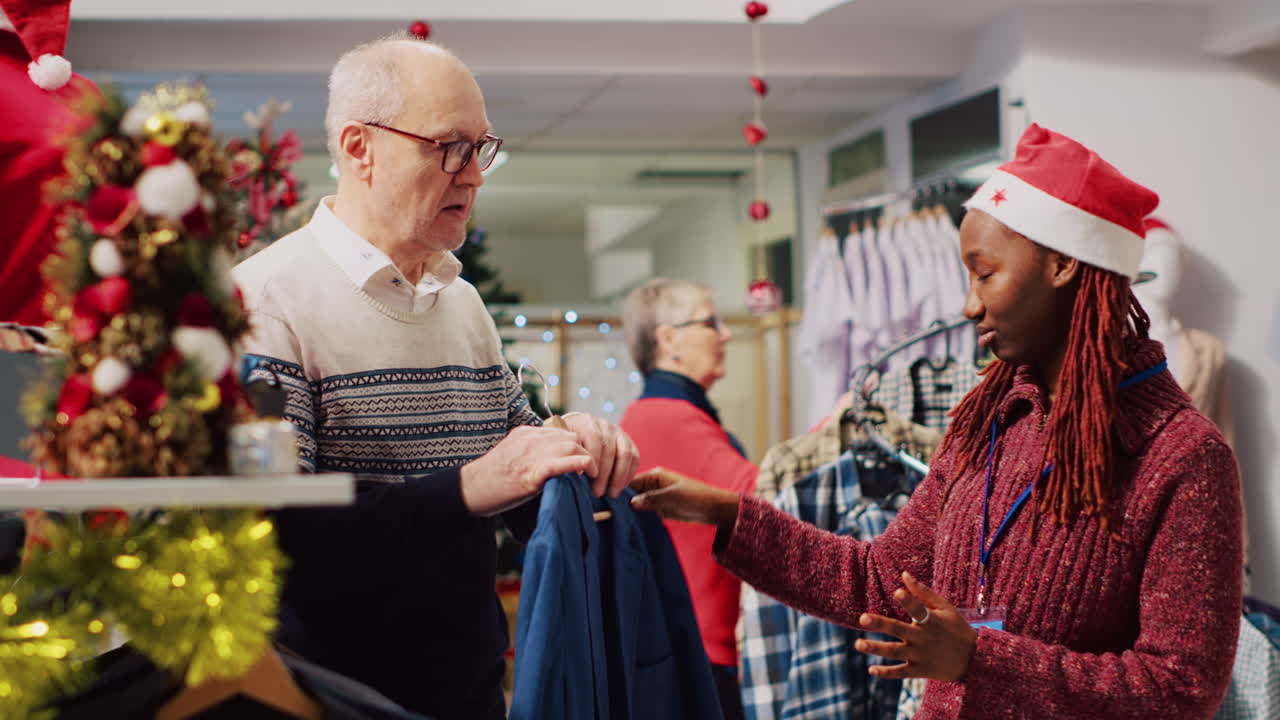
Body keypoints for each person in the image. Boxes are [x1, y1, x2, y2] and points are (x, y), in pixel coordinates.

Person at [629, 124, 1243, 719]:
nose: (969, 305)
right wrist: (727, 514)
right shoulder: (990, 422)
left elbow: (1182, 689)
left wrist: (981, 659)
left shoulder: (1183, 456)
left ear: (1062, 265)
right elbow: (879, 579)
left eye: (985, 273)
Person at [233, 34, 639, 719]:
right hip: (328, 702)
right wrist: (469, 487)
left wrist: (575, 449)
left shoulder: (460, 299)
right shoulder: (264, 302)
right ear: (359, 148)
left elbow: (517, 480)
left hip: (471, 694)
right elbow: (275, 541)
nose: (474, 176)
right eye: (450, 147)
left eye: (481, 149)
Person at [618, 278, 755, 720]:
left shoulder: (665, 414)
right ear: (668, 339)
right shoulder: (668, 418)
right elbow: (769, 499)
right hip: (698, 655)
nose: (725, 334)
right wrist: (834, 430)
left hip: (692, 648)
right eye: (710, 322)